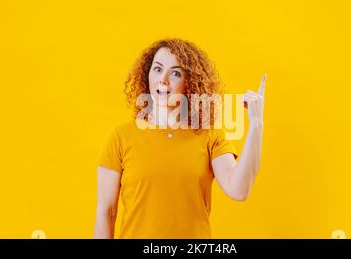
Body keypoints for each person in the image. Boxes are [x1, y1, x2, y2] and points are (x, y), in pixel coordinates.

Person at [93, 38, 266, 239]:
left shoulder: (209, 135)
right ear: (147, 74)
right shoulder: (120, 137)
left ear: (189, 83)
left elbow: (239, 190)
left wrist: (256, 124)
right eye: (157, 69)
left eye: (175, 73)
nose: (163, 80)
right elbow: (107, 212)